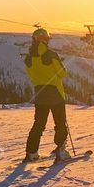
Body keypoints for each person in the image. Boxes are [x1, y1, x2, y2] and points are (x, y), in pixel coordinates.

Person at [24, 28, 71, 162]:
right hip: (55, 93)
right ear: (46, 40)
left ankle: (31, 152)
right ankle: (61, 151)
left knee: (38, 124)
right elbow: (62, 73)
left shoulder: (28, 58)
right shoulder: (51, 55)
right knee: (60, 123)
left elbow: (31, 76)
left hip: (40, 94)